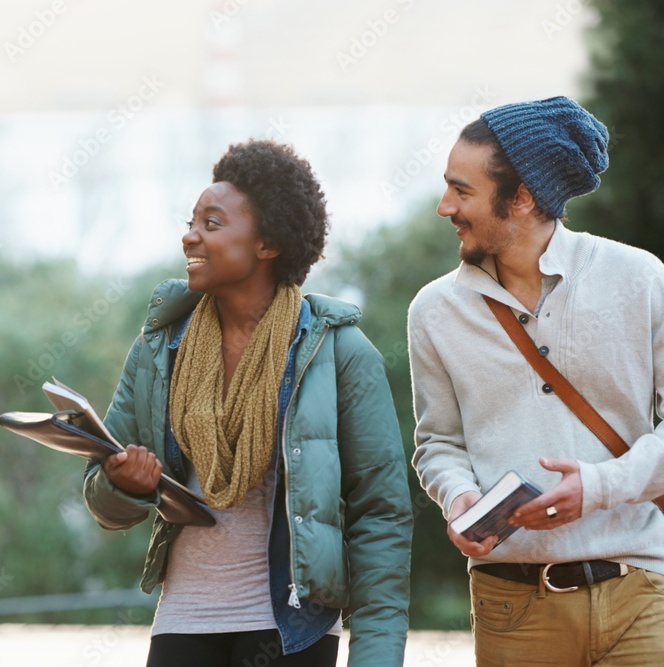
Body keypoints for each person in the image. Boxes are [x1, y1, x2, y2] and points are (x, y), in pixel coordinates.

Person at [83, 139, 412, 666]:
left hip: (291, 629)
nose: (190, 236)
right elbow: (103, 499)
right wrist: (124, 485)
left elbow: (382, 516)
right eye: (192, 221)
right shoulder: (160, 346)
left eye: (212, 224)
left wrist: (375, 658)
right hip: (184, 620)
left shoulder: (338, 352)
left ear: (267, 243)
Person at [409, 96, 664, 665]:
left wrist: (599, 487)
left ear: (522, 198)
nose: (444, 205)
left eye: (462, 190)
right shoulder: (433, 310)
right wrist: (459, 497)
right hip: (512, 606)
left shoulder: (640, 279)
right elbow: (438, 443)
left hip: (643, 593)